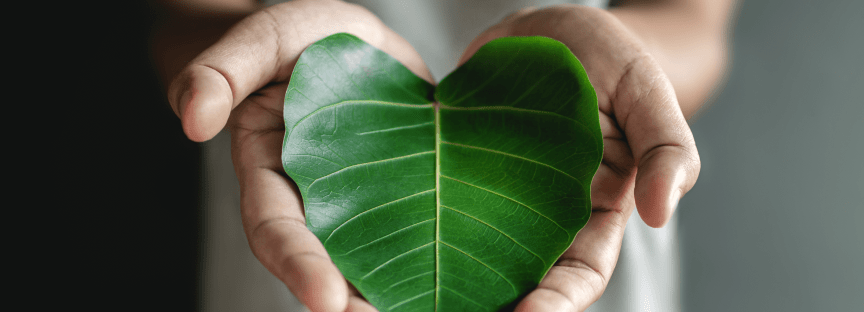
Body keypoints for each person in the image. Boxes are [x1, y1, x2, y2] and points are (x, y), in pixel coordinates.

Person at [153, 0, 736, 310]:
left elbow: (695, 24)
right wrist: (253, 54)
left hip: (586, 191)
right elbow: (187, 19)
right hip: (292, 189)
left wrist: (633, 66)